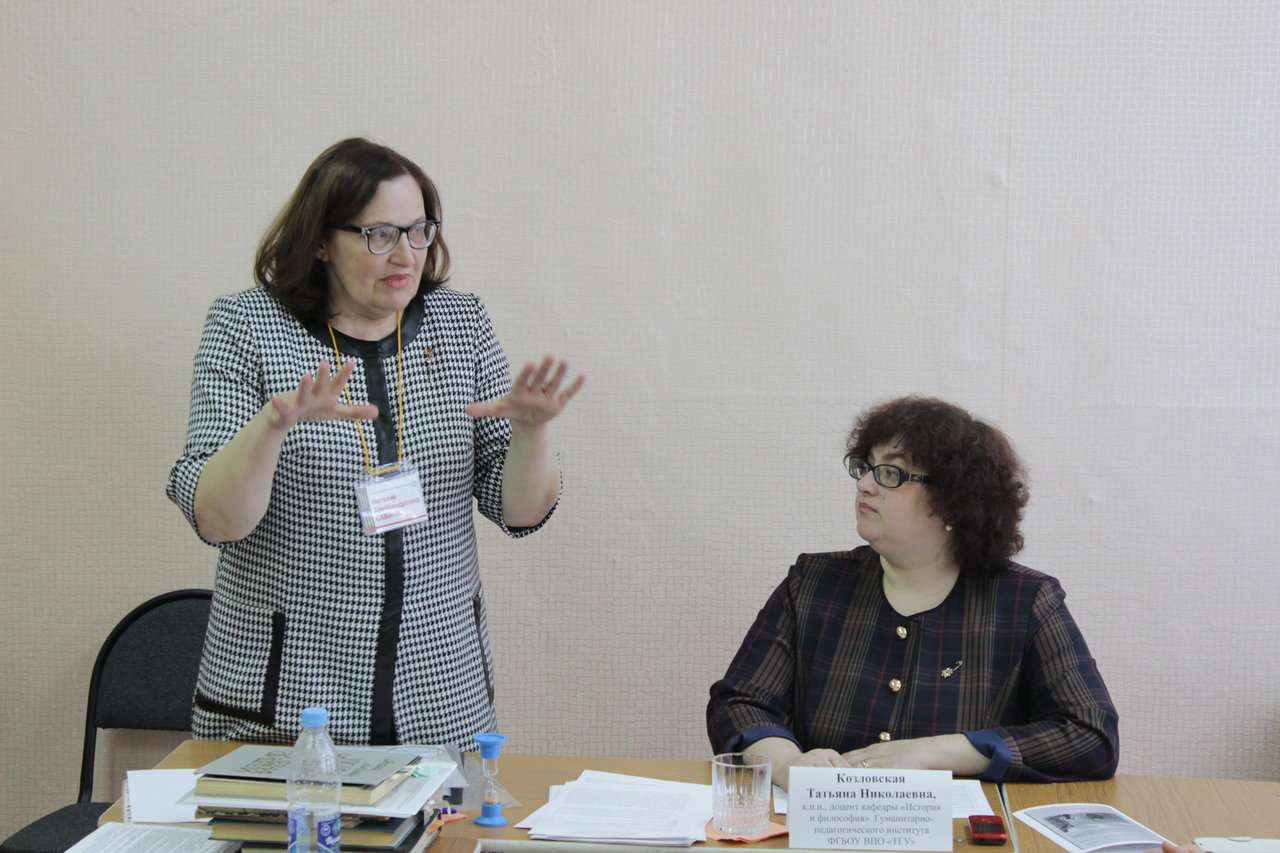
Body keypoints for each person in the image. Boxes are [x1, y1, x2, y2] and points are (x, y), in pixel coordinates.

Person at [167, 138, 583, 748]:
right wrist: (271, 428)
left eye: (418, 231)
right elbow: (218, 520)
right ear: (320, 240)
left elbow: (520, 511)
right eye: (380, 235)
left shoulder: (460, 324)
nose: (406, 255)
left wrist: (533, 430)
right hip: (289, 702)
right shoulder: (247, 326)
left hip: (439, 698)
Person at [707, 395, 1118, 787]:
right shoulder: (814, 583)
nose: (865, 484)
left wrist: (940, 752)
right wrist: (787, 763)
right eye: (865, 467)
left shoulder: (1025, 600)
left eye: (891, 473)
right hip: (823, 819)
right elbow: (739, 703)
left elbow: (1091, 735)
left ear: (954, 501)